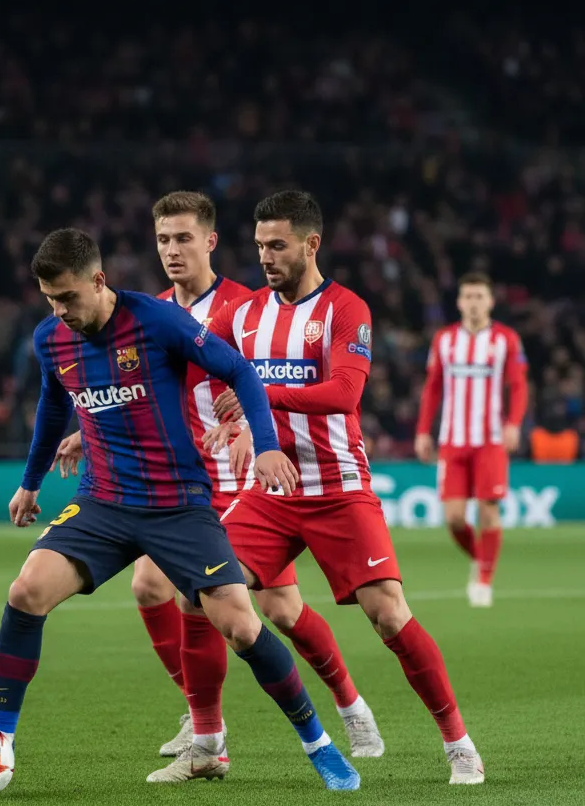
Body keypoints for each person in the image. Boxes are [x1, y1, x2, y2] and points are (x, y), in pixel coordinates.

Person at [0, 227, 360, 790]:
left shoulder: (156, 321)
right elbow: (53, 407)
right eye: (50, 299)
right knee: (26, 591)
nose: (60, 311)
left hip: (177, 503)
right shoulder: (51, 338)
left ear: (98, 280)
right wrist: (30, 483)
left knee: (240, 625)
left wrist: (266, 443)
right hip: (102, 502)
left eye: (68, 297)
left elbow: (239, 371)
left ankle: (318, 745)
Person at [52, 191, 383, 760]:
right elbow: (136, 388)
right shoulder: (149, 311)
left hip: (240, 476)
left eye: (183, 238)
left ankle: (349, 705)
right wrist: (92, 426)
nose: (172, 250)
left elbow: (258, 376)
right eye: (163, 239)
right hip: (181, 479)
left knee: (279, 611)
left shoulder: (244, 305)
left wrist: (256, 432)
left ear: (210, 241)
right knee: (152, 585)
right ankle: (200, 715)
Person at [206, 190, 484, 785]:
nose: (266, 257)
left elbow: (344, 393)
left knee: (388, 615)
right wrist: (236, 425)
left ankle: (458, 741)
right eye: (259, 246)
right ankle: (332, 711)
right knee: (211, 588)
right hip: (270, 491)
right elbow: (201, 371)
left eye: (278, 245)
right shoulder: (243, 314)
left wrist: (259, 395)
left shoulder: (345, 308)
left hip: (337, 485)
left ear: (312, 244)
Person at [415, 274, 528, 607]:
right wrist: (423, 431)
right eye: (468, 296)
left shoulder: (506, 339)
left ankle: (483, 581)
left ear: (490, 301)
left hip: (490, 439)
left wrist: (514, 424)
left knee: (488, 510)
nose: (474, 302)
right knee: (453, 519)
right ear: (459, 302)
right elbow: (432, 388)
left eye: (480, 296)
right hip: (453, 439)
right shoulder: (444, 340)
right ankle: (482, 559)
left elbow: (518, 385)